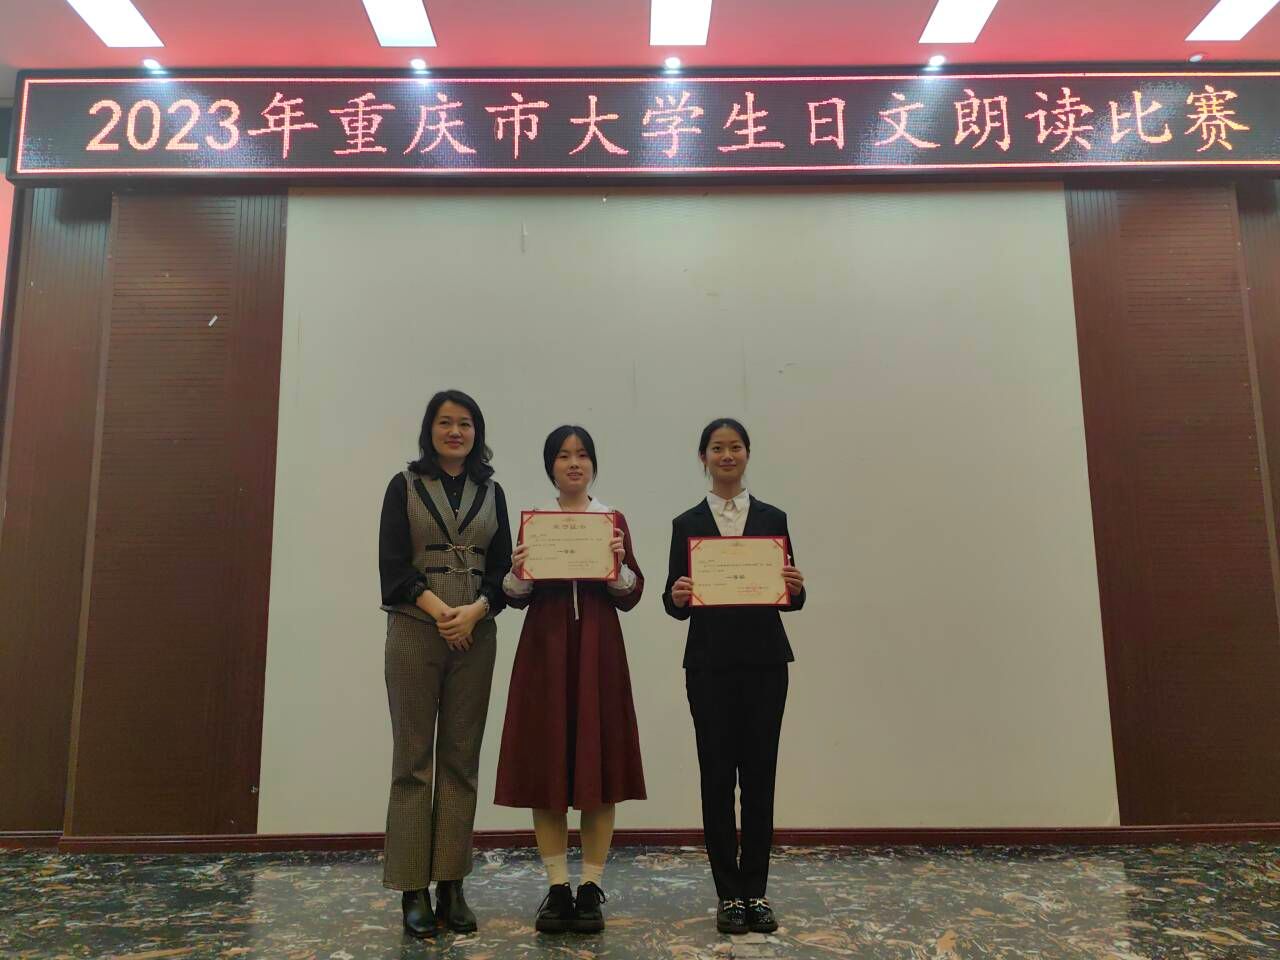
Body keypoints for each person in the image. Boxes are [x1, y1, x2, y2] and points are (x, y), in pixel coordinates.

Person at [495, 425, 646, 934]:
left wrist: (617, 565)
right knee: (547, 768)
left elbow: (632, 592)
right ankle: (558, 886)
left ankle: (591, 887)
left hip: (599, 652)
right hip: (546, 651)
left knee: (599, 770)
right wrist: (519, 570)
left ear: (593, 464)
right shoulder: (536, 522)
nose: (574, 463)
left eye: (582, 455)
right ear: (550, 466)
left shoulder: (611, 519)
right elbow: (515, 596)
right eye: (563, 455)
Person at [662, 418, 806, 936]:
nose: (727, 455)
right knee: (718, 778)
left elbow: (791, 597)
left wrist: (796, 586)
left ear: (747, 454)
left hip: (766, 664)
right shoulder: (686, 523)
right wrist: (677, 595)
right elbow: (673, 602)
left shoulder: (773, 517)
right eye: (717, 448)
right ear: (702, 456)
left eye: (736, 447)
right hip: (709, 666)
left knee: (761, 778)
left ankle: (757, 892)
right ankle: (729, 894)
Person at [377, 389, 512, 938]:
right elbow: (392, 567)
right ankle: (413, 888)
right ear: (429, 430)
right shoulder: (404, 485)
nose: (455, 432)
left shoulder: (492, 491)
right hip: (415, 631)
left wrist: (474, 612)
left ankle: (452, 884)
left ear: (477, 433)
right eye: (445, 422)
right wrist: (441, 613)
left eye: (465, 424)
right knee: (413, 761)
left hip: (476, 636)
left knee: (461, 761)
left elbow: (503, 570)